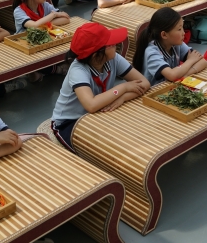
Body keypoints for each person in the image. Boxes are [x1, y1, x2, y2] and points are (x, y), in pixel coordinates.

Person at [51, 22, 150, 152]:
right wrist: (124, 88)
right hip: (70, 122)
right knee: (100, 149)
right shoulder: (78, 71)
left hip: (98, 111)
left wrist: (122, 98)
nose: (116, 45)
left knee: (128, 132)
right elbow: (91, 105)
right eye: (110, 44)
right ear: (96, 55)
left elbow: (144, 83)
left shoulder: (114, 59)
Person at [134, 7, 206, 85]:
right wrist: (190, 61)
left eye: (182, 28)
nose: (183, 33)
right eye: (179, 29)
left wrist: (185, 75)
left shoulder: (176, 44)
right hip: (156, 90)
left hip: (171, 85)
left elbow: (202, 61)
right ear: (164, 35)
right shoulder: (152, 52)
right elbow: (172, 75)